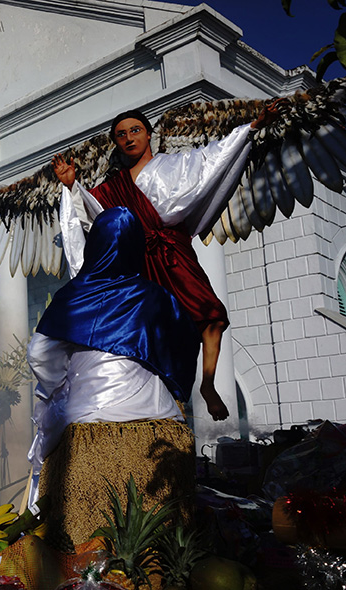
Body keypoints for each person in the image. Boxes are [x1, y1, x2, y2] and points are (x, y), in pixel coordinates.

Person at [53, 103, 281, 421]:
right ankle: (161, 396)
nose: (129, 138)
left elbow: (213, 160)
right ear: (116, 143)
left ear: (148, 134)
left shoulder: (177, 166)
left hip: (174, 252)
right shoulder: (110, 188)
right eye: (121, 135)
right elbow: (93, 218)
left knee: (211, 315)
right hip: (139, 263)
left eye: (135, 130)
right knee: (155, 330)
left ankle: (209, 384)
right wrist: (71, 186)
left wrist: (253, 127)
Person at [26, 206, 200, 504]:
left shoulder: (71, 296)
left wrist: (61, 383)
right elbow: (185, 344)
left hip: (88, 420)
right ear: (136, 248)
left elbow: (39, 354)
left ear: (93, 246)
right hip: (156, 421)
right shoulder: (156, 296)